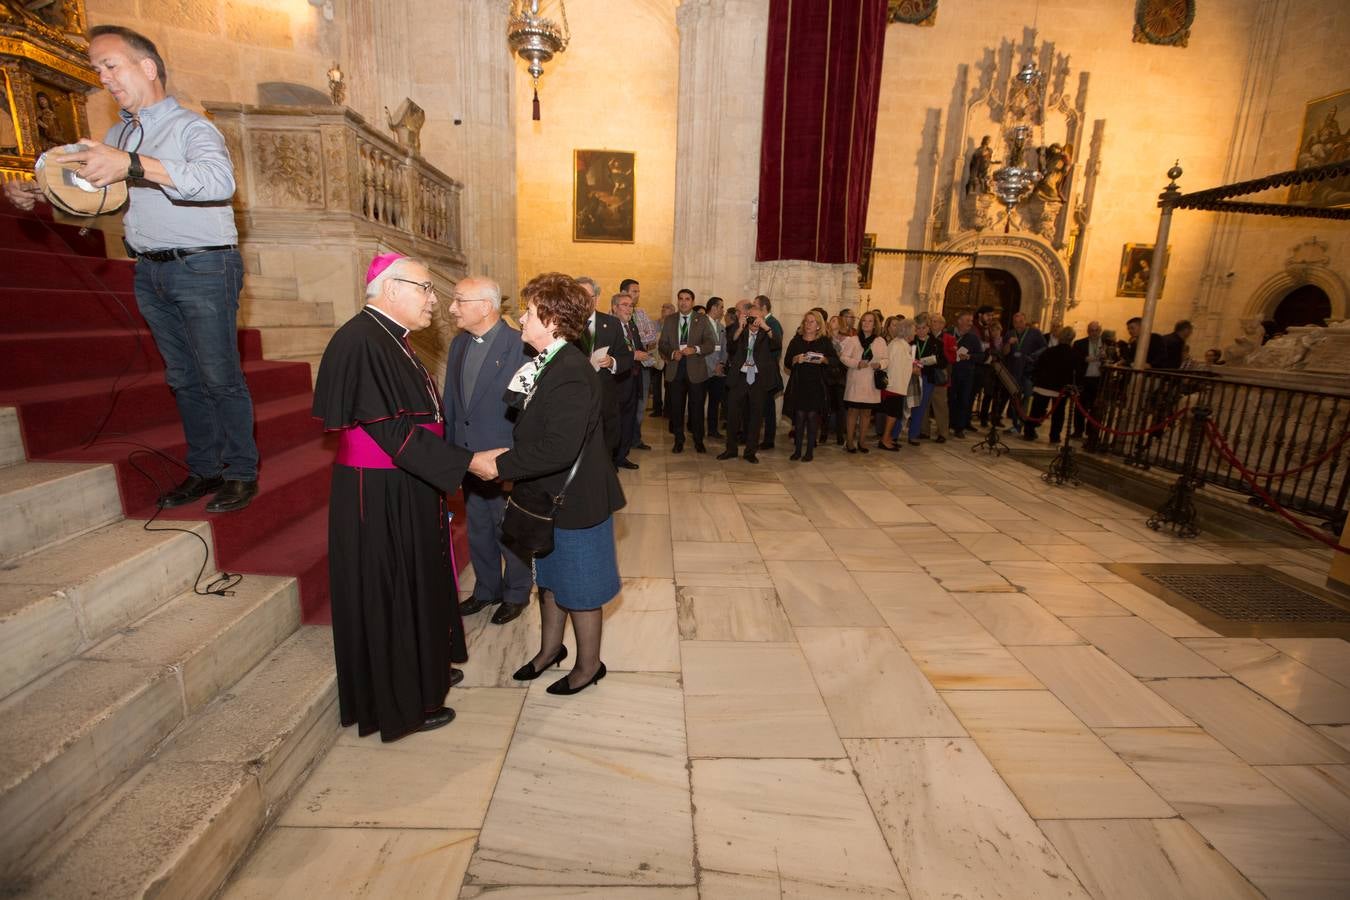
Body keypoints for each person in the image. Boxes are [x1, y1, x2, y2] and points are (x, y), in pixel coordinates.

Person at [6, 26, 259, 512]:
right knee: (183, 378)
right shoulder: (118, 133)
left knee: (219, 375)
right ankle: (205, 469)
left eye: (110, 65)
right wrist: (39, 193)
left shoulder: (190, 127)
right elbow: (96, 197)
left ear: (147, 67)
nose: (102, 77)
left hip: (204, 266)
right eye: (97, 69)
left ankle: (242, 472)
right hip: (150, 269)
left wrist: (134, 164)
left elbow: (218, 181)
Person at [313, 254, 473, 740]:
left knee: (417, 581)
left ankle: (424, 672)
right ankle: (403, 704)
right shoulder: (361, 341)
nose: (434, 300)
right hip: (380, 492)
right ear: (391, 289)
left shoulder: (390, 338)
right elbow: (393, 432)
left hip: (406, 483)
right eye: (425, 289)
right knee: (393, 591)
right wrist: (467, 464)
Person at [471, 273, 626, 696]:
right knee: (551, 580)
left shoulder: (571, 372)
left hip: (574, 499)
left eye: (530, 311)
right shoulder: (545, 362)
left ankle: (588, 666)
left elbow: (558, 449)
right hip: (546, 494)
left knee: (581, 588)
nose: (521, 317)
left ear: (554, 318)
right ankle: (549, 651)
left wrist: (499, 466)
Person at [444, 276, 533, 627]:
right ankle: (486, 589)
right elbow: (453, 402)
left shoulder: (520, 346)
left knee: (509, 529)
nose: (452, 308)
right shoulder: (458, 345)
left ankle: (516, 592)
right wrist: (451, 455)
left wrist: (516, 459)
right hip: (468, 456)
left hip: (503, 459)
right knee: (479, 526)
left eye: (459, 301)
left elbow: (527, 412)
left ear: (485, 306)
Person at [573, 276, 633, 457]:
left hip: (604, 398)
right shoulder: (566, 324)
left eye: (588, 296)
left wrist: (612, 362)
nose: (584, 300)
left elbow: (627, 357)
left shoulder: (612, 324)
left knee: (606, 446)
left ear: (596, 298)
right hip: (575, 398)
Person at [718, 298, 782, 464]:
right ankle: (730, 449)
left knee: (756, 416)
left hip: (758, 380)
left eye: (757, 318)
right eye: (751, 317)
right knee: (732, 415)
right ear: (746, 317)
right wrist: (740, 328)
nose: (754, 321)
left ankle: (750, 452)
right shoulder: (739, 330)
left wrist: (766, 327)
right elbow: (730, 347)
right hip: (739, 378)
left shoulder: (766, 333)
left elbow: (777, 345)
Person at [658, 288, 716, 453]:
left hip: (696, 371)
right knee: (676, 408)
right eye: (681, 299)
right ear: (678, 301)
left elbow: (710, 344)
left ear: (692, 301)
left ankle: (698, 440)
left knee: (696, 407)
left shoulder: (702, 319)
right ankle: (678, 440)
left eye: (687, 299)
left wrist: (696, 349)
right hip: (675, 369)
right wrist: (671, 353)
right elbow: (662, 343)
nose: (683, 302)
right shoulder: (670, 320)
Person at [782, 310, 838, 461]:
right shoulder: (796, 341)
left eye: (812, 322)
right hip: (800, 384)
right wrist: (795, 359)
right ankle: (798, 450)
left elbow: (834, 361)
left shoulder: (824, 342)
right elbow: (787, 362)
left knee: (812, 417)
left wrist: (823, 359)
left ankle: (809, 452)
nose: (808, 324)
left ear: (819, 326)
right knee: (799, 417)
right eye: (806, 321)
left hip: (816, 385)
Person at [839, 310, 888, 453]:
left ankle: (862, 442)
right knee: (853, 412)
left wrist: (880, 365)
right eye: (864, 321)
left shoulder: (880, 341)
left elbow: (886, 359)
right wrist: (856, 363)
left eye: (870, 321)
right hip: (856, 380)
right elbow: (843, 357)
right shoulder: (853, 340)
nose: (866, 323)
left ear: (875, 325)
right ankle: (849, 442)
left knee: (866, 413)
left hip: (871, 383)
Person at [1023, 326, 1081, 444]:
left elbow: (1039, 365)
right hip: (1060, 389)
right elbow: (1075, 372)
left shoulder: (1049, 351)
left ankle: (1029, 432)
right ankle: (1054, 436)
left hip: (1043, 386)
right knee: (1058, 414)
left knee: (1036, 410)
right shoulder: (1074, 354)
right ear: (1072, 338)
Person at [610, 292, 646, 469]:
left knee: (628, 421)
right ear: (614, 308)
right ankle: (611, 459)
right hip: (616, 383)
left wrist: (642, 354)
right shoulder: (608, 327)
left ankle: (622, 456)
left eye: (631, 305)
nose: (629, 309)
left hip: (633, 379)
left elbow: (637, 347)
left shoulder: (632, 327)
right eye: (624, 305)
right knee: (615, 423)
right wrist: (634, 355)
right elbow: (609, 355)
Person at [621, 278, 658, 450]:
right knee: (625, 403)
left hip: (643, 364)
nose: (637, 295)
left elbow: (652, 335)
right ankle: (623, 440)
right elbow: (622, 340)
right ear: (623, 293)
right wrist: (638, 341)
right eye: (634, 291)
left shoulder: (641, 313)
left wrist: (637, 339)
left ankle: (636, 438)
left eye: (638, 292)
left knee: (640, 404)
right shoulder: (613, 313)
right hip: (625, 366)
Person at [1003, 311, 1046, 432]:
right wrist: (1008, 343)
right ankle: (1016, 424)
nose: (1018, 324)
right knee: (1014, 399)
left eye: (1021, 321)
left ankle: (1024, 423)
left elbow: (1044, 347)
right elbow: (1005, 352)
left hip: (1028, 371)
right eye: (1016, 322)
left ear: (1025, 321)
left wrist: (1033, 356)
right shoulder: (1010, 333)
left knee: (1026, 398)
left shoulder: (1034, 333)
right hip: (1013, 371)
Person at [879, 318, 916, 451]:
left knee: (894, 414)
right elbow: (892, 366)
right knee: (892, 414)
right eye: (914, 330)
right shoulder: (897, 345)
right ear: (907, 331)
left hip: (899, 386)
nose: (915, 333)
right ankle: (884, 439)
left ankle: (887, 438)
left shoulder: (902, 345)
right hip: (894, 386)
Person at [755, 295, 785, 449]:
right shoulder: (760, 322)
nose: (753, 309)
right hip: (759, 371)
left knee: (768, 408)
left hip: (768, 371)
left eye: (755, 306)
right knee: (761, 405)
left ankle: (769, 440)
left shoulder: (772, 323)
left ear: (764, 308)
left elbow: (776, 346)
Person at [951, 311, 984, 438]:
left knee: (964, 400)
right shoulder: (949, 334)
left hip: (966, 374)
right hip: (951, 373)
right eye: (968, 321)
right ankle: (950, 423)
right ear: (959, 321)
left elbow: (981, 356)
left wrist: (969, 356)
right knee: (950, 399)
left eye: (971, 321)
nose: (970, 323)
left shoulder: (973, 338)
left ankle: (959, 427)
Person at [1071, 320, 1106, 440]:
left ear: (1100, 331)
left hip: (1099, 380)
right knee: (1080, 407)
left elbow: (1115, 359)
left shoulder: (1107, 344)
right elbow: (1074, 359)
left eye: (1096, 330)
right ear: (1088, 331)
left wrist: (1105, 358)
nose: (1094, 333)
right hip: (1084, 379)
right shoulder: (1079, 343)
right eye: (1092, 330)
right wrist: (1084, 359)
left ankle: (1092, 432)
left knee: (1096, 408)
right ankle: (1078, 431)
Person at [704, 297, 728, 439]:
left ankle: (713, 430)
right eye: (721, 307)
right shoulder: (701, 324)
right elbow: (700, 349)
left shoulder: (721, 327)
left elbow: (724, 349)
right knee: (699, 401)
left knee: (715, 402)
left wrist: (721, 364)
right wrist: (713, 367)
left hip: (718, 372)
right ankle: (697, 429)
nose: (723, 310)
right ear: (713, 308)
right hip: (704, 370)